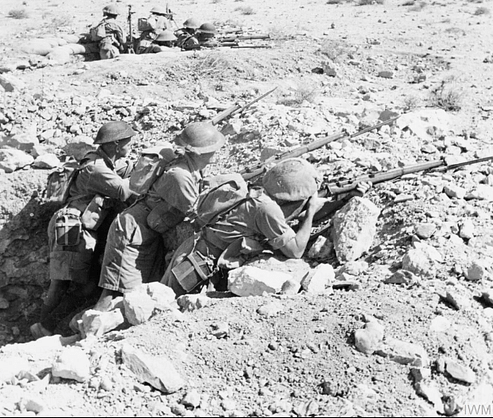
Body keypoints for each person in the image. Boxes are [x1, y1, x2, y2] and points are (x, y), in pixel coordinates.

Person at [161, 158, 370, 297]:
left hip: (193, 252)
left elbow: (290, 221)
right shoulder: (267, 209)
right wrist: (312, 210)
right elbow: (296, 250)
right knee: (162, 312)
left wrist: (344, 199)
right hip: (196, 268)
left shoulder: (260, 192)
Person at [93, 122, 225, 311]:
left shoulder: (191, 168)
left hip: (147, 230)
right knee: (116, 291)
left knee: (137, 294)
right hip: (132, 232)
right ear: (199, 152)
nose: (215, 152)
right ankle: (91, 332)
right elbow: (196, 212)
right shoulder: (180, 175)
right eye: (212, 148)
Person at [30, 121, 137, 339]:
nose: (132, 145)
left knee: (82, 285)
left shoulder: (102, 160)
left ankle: (47, 326)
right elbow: (123, 191)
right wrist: (148, 171)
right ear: (116, 144)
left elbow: (121, 171)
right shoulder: (96, 167)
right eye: (129, 142)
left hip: (81, 226)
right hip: (72, 225)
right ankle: (43, 327)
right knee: (61, 282)